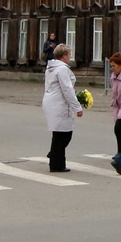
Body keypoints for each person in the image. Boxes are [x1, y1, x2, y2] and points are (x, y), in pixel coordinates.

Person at [41, 43, 82, 172]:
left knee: (59, 134)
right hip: (59, 103)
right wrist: (77, 108)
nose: (70, 57)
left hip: (52, 101)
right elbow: (67, 89)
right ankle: (56, 160)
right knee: (64, 134)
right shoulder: (62, 69)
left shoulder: (51, 67)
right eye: (69, 54)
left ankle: (55, 158)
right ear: (64, 56)